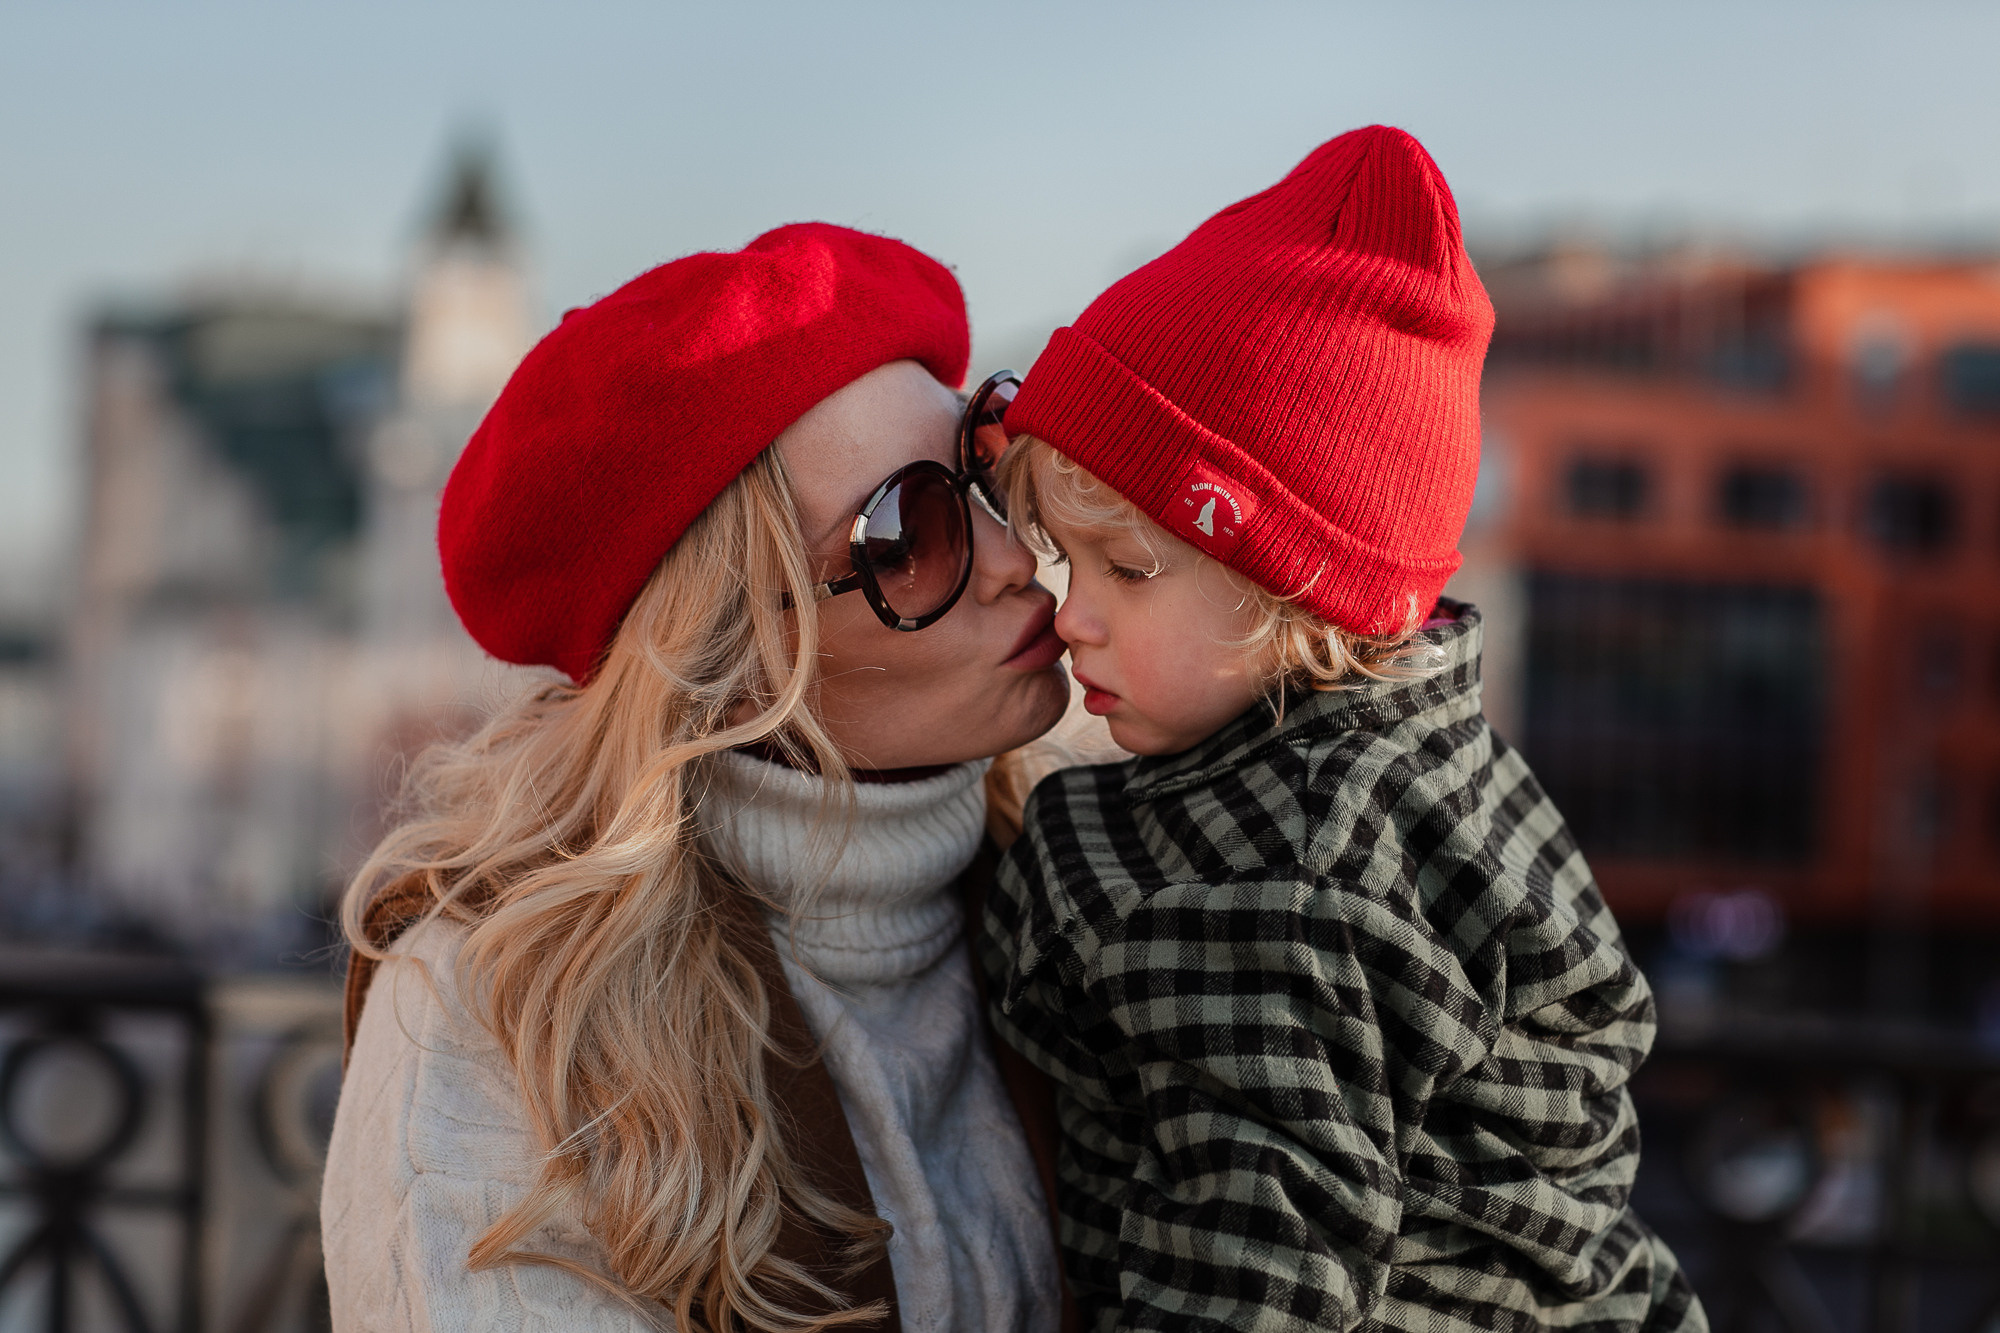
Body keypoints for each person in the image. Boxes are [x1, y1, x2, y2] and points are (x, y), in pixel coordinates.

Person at [978, 127, 1707, 1331]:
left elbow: (1253, 1279)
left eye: (1127, 568)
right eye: (1067, 556)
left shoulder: (1274, 876)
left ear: (1295, 598)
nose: (1072, 616)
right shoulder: (1424, 760)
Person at [322, 223, 1075, 1333]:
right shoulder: (504, 1002)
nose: (1015, 557)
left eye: (986, 467)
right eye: (907, 531)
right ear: (725, 661)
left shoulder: (1081, 891)